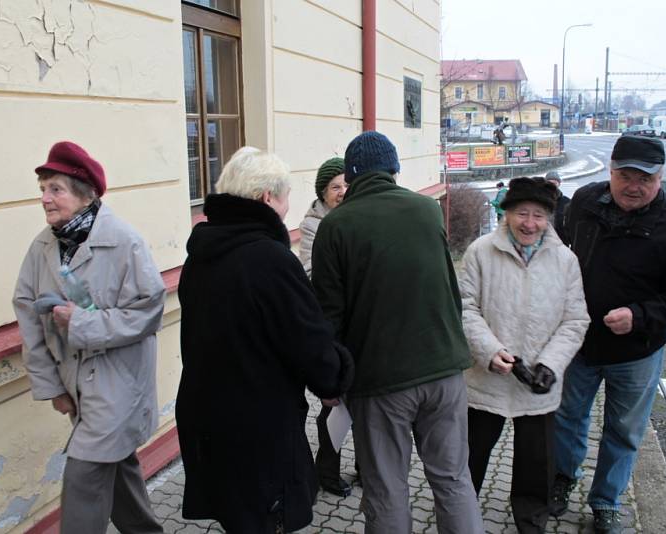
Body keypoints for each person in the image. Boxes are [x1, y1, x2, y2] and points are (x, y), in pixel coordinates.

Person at [311, 131, 484, 534]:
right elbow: (448, 287)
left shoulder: (335, 227)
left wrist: (329, 379)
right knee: (454, 480)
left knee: (387, 489)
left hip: (380, 381)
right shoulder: (426, 209)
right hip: (444, 372)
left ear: (350, 178)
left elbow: (328, 318)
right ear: (394, 169)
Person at [176, 147, 355, 533]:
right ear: (267, 198)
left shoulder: (201, 255)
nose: (290, 206)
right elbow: (309, 343)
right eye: (287, 195)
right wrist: (335, 376)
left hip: (207, 421)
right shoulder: (270, 259)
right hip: (258, 433)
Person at [550, 136, 666, 533]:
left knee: (623, 430)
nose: (634, 185)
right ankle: (562, 479)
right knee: (567, 416)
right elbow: (556, 245)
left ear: (661, 177)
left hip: (637, 351)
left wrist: (639, 316)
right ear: (611, 171)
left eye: (645, 178)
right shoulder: (584, 202)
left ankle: (606, 501)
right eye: (625, 175)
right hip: (580, 341)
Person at [13, 141, 166, 534]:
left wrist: (79, 324)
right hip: (76, 385)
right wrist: (52, 386)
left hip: (119, 384)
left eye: (55, 189)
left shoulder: (123, 240)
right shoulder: (44, 245)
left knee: (83, 476)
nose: (45, 199)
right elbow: (28, 315)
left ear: (85, 194)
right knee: (118, 467)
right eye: (43, 189)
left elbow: (147, 311)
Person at [459, 177, 590, 533]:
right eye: (521, 213)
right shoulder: (481, 251)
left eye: (538, 215)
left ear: (549, 218)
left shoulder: (565, 260)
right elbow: (465, 309)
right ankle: (460, 516)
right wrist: (490, 350)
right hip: (488, 377)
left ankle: (531, 520)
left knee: (536, 462)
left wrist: (551, 363)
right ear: (506, 214)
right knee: (471, 455)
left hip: (537, 382)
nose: (529, 223)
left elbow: (575, 319)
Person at [297, 156, 353, 497]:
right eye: (335, 187)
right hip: (331, 322)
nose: (342, 192)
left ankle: (365, 467)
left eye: (347, 185)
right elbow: (310, 272)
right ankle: (326, 472)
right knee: (336, 403)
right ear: (323, 192)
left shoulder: (359, 216)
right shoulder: (313, 224)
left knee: (361, 402)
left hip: (358, 320)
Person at [545, 170, 570, 241]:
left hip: (561, 240)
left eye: (555, 183)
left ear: (559, 184)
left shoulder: (566, 201)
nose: (552, 185)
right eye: (550, 183)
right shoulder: (539, 201)